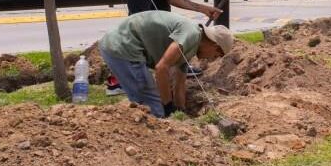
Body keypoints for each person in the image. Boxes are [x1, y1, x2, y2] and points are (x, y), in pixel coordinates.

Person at [98, 10, 234, 117]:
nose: (214, 59)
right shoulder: (191, 34)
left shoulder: (192, 46)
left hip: (122, 47)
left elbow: (179, 83)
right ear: (214, 45)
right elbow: (161, 68)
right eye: (218, 54)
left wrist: (180, 111)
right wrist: (168, 106)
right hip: (122, 46)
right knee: (154, 107)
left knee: (150, 104)